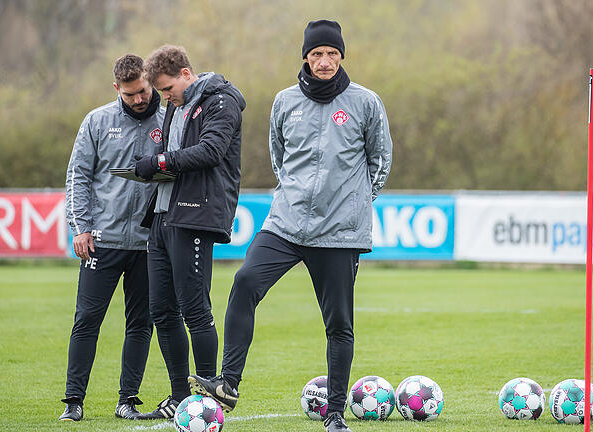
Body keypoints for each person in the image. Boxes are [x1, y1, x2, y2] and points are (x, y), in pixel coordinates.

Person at [188, 19, 393, 432]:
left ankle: (335, 413)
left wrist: (353, 204)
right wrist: (297, 196)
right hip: (285, 223)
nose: (324, 61)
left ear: (341, 56)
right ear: (305, 57)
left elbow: (381, 160)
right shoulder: (284, 101)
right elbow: (278, 157)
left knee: (338, 324)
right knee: (245, 282)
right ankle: (228, 383)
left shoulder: (366, 103)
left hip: (339, 233)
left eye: (332, 54)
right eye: (317, 54)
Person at [132, 45, 246, 419]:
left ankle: (210, 397)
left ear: (185, 73)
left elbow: (211, 151)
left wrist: (159, 161)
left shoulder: (221, 100)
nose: (165, 97)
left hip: (196, 214)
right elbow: (176, 154)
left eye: (167, 89)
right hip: (163, 214)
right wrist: (152, 168)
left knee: (195, 310)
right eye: (161, 92)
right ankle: (181, 397)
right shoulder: (174, 104)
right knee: (161, 311)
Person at [61, 54, 165, 421]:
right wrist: (81, 227)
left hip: (150, 244)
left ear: (150, 82)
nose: (138, 99)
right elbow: (78, 176)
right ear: (116, 88)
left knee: (141, 323)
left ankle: (127, 401)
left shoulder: (170, 119)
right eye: (129, 94)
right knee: (87, 319)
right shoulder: (97, 121)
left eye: (142, 91)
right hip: (101, 242)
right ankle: (74, 402)